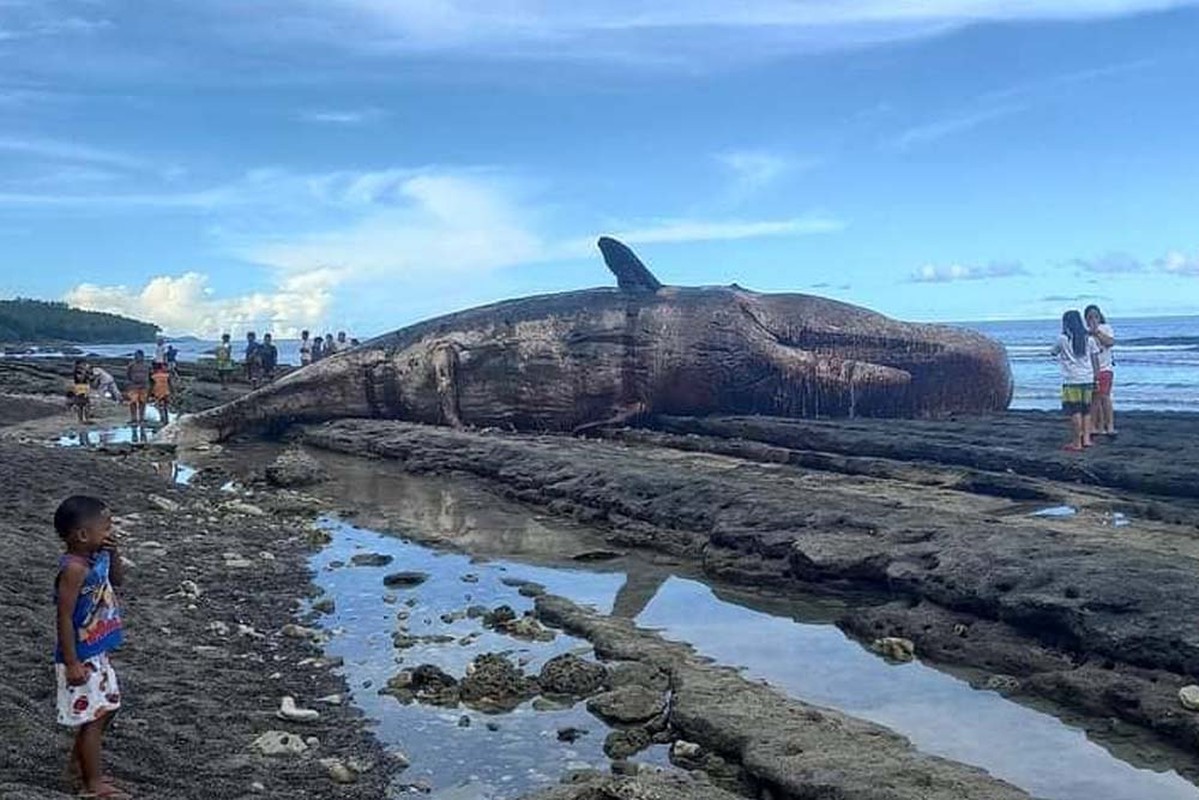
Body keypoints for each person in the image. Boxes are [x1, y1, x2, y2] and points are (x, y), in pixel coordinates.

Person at [53, 495, 125, 799]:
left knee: (108, 710)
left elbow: (118, 581)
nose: (111, 531)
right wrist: (71, 662)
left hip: (97, 651)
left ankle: (78, 766)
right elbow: (65, 617)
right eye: (106, 527)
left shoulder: (97, 558)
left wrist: (116, 552)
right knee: (94, 719)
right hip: (80, 656)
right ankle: (93, 784)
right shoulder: (73, 570)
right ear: (82, 535)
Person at [1052, 310, 1100, 452]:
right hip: (1087, 378)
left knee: (1075, 411)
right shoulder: (1089, 339)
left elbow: (1053, 352)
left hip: (1072, 379)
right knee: (1086, 411)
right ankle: (1086, 439)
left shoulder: (1063, 339)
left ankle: (1076, 442)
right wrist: (1096, 378)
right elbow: (1095, 360)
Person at [1085, 304, 1116, 437]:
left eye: (1095, 316)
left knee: (1105, 397)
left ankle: (1109, 426)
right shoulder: (1085, 332)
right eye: (1089, 317)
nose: (1092, 319)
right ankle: (1095, 426)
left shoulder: (1105, 328)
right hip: (1090, 370)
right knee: (1094, 399)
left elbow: (1110, 342)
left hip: (1105, 368)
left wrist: (1096, 331)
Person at [124, 351, 150, 424]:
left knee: (142, 402)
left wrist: (150, 387)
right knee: (133, 402)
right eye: (136, 356)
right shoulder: (131, 365)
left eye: (139, 356)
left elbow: (150, 375)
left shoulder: (147, 365)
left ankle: (142, 418)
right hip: (133, 386)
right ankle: (134, 419)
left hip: (144, 386)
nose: (137, 357)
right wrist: (128, 384)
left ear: (142, 356)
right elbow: (127, 374)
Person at [69, 360, 92, 424]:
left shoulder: (82, 371)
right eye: (82, 364)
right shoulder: (77, 371)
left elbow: (89, 378)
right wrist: (85, 371)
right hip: (80, 387)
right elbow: (80, 379)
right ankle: (81, 420)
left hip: (84, 387)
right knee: (81, 405)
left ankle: (86, 419)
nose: (83, 365)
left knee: (86, 405)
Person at [150, 361, 171, 425]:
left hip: (158, 392)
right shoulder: (167, 375)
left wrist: (151, 393)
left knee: (160, 407)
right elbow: (170, 384)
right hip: (166, 392)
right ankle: (166, 419)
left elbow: (151, 385)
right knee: (165, 407)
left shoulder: (153, 376)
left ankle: (162, 419)